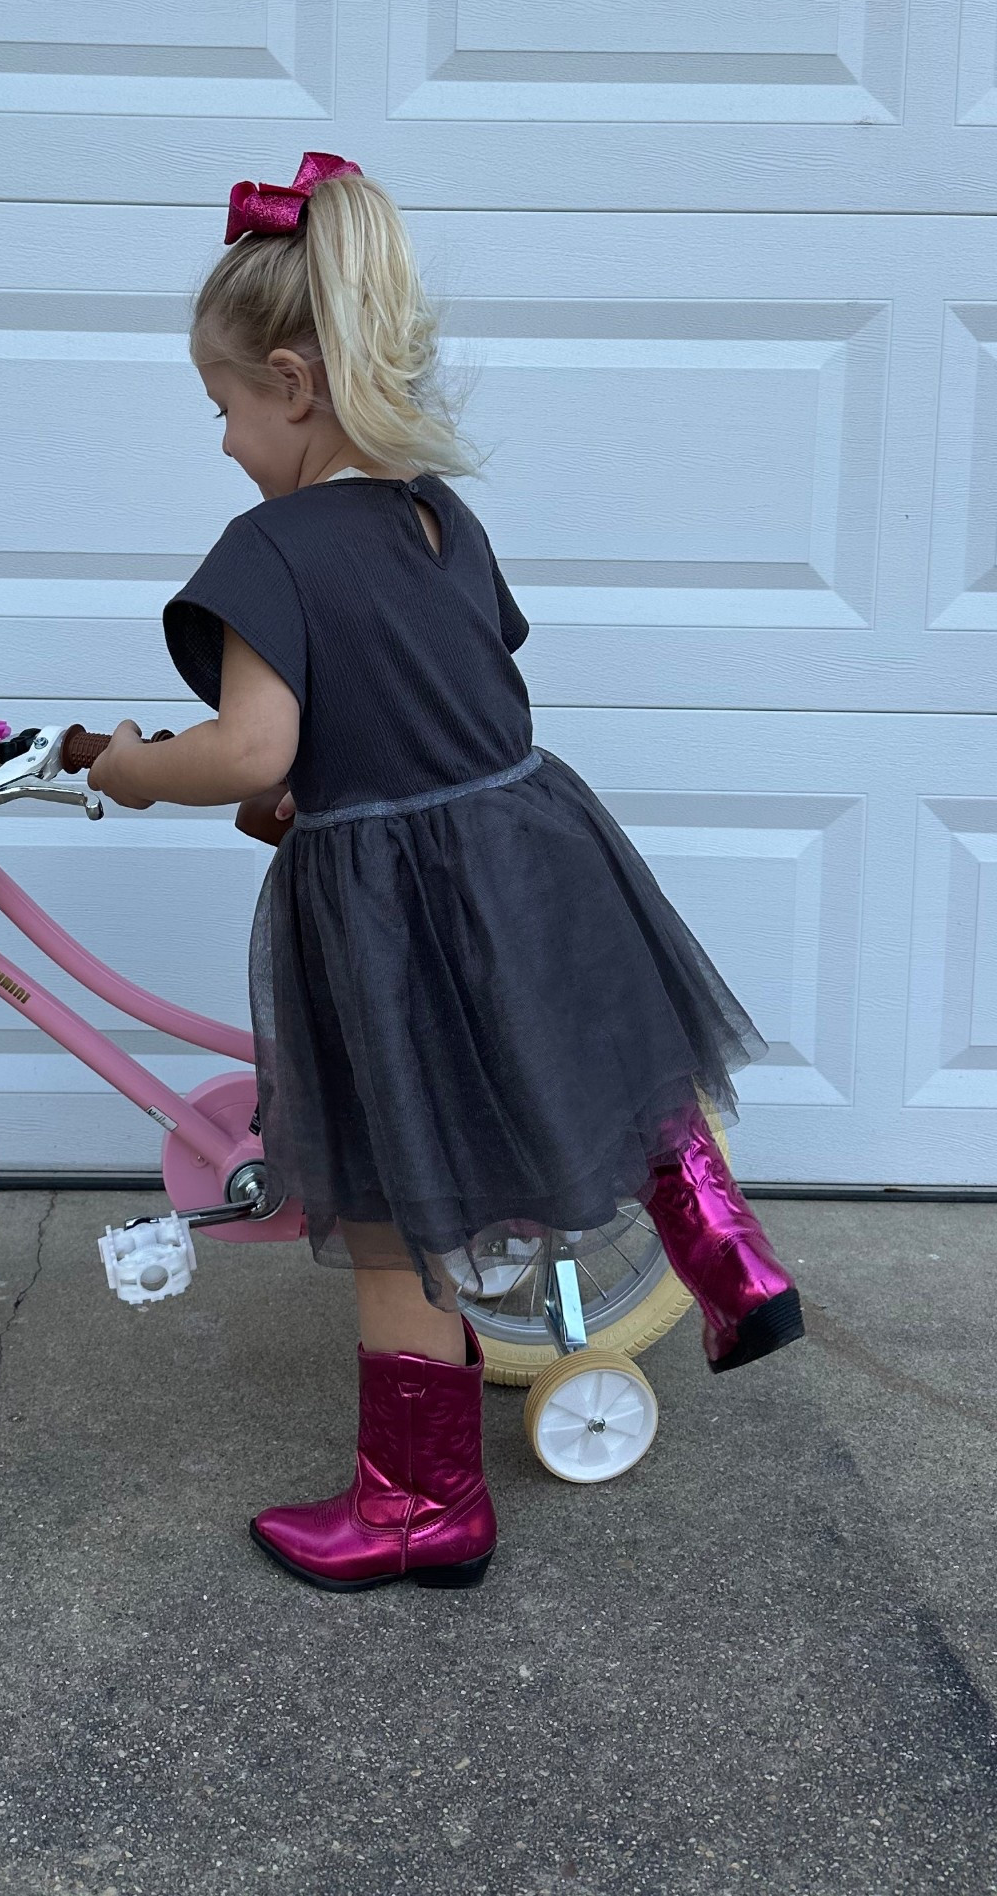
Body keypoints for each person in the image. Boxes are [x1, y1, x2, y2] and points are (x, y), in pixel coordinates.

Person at [86, 152, 803, 1593]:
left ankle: (422, 1508)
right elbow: (455, 693)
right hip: (531, 841)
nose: (221, 442)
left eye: (222, 407)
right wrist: (336, 792)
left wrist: (130, 762)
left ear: (292, 382)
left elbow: (245, 751)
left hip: (395, 915)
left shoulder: (267, 550)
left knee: (392, 1210)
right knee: (583, 1064)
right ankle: (731, 1262)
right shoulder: (438, 518)